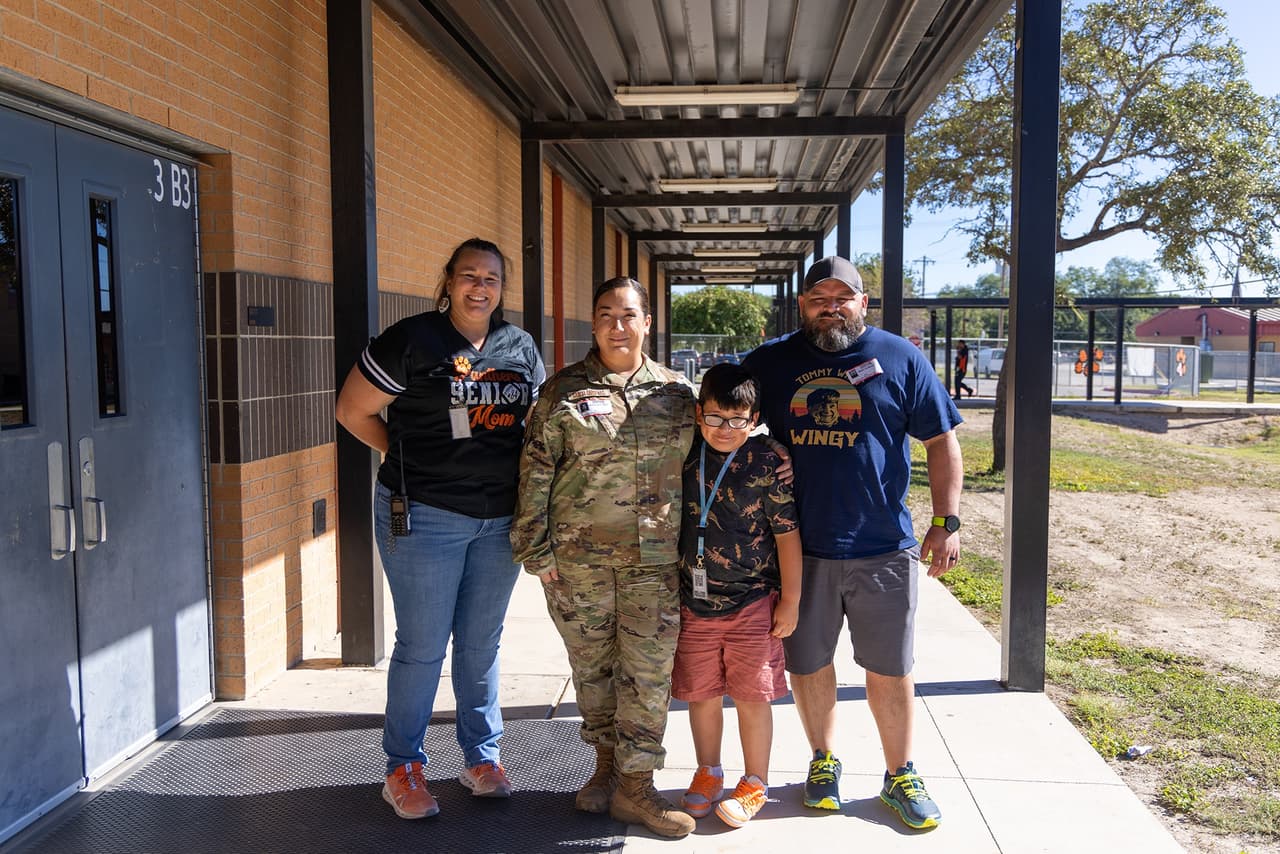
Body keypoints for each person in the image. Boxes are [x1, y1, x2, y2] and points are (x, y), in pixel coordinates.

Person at [742, 255, 963, 831]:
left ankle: (900, 774)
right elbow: (724, 419)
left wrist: (946, 521)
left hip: (883, 544)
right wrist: (765, 450)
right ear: (803, 304)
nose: (831, 307)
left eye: (843, 298)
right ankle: (823, 761)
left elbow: (941, 440)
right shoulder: (772, 361)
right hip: (799, 548)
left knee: (890, 667)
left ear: (863, 302)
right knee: (809, 663)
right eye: (820, 298)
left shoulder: (900, 357)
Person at [335, 237, 546, 820]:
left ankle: (482, 757)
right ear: (449, 281)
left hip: (498, 518)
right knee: (423, 645)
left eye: (491, 279)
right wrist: (404, 455)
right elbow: (352, 411)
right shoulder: (411, 340)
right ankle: (403, 766)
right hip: (425, 514)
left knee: (481, 643)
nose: (480, 287)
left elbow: (531, 424)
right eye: (469, 276)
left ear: (502, 289)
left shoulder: (519, 346)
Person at [511, 276, 700, 839]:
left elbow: (712, 456)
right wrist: (535, 550)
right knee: (593, 672)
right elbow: (534, 472)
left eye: (628, 314)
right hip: (577, 564)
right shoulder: (562, 392)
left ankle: (637, 787)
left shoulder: (677, 394)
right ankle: (606, 769)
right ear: (593, 324)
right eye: (606, 315)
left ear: (647, 322)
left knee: (647, 675)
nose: (618, 326)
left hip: (653, 563)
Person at [671, 363, 802, 829]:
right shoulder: (684, 452)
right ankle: (708, 771)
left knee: (752, 696)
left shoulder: (766, 463)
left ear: (754, 419)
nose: (724, 429)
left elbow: (787, 535)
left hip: (753, 603)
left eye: (737, 420)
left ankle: (755, 782)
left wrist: (790, 601)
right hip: (694, 604)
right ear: (698, 413)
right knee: (701, 694)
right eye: (714, 417)